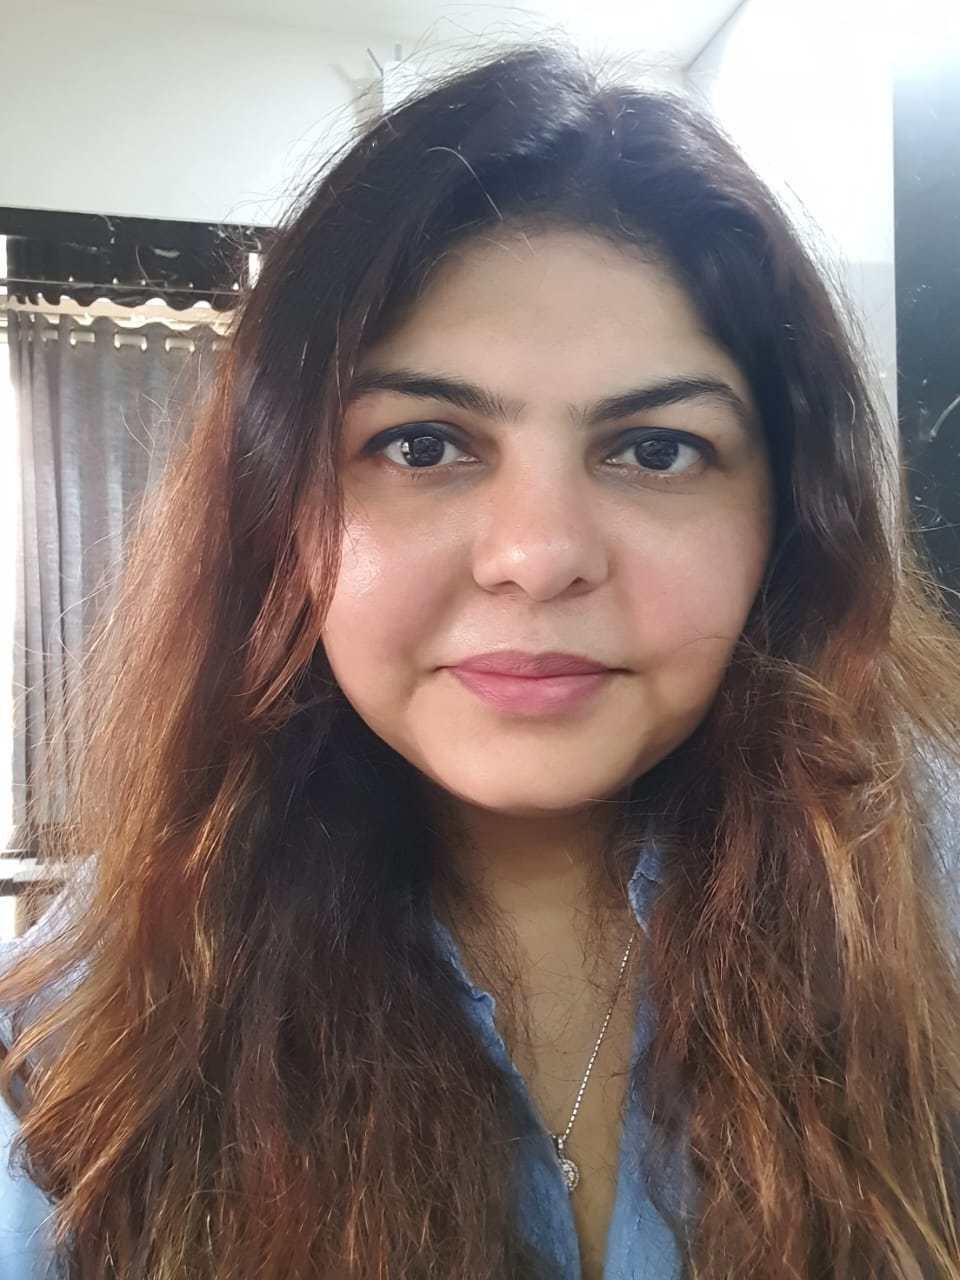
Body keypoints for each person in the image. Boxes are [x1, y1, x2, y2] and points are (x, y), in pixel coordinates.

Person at [2, 39, 960, 1280]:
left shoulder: (925, 894)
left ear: (782, 518)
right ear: (277, 508)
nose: (537, 557)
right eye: (422, 444)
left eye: (656, 450)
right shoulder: (90, 1017)